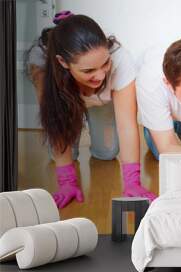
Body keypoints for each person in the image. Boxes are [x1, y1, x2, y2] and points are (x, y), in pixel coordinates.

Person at [26, 12, 156, 208]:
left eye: (105, 64)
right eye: (88, 71)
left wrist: (132, 182)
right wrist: (67, 181)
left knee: (107, 153)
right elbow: (55, 122)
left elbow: (127, 124)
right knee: (62, 154)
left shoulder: (121, 59)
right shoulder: (42, 65)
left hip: (102, 101)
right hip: (67, 102)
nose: (101, 75)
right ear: (63, 62)